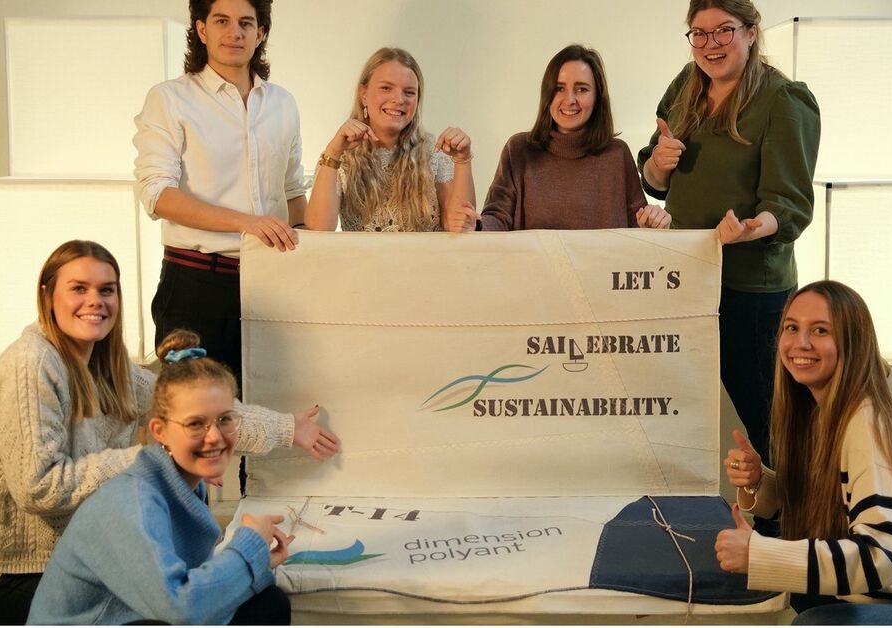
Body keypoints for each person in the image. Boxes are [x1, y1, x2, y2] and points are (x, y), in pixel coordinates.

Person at [0, 241, 339, 625]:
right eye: (79, 288)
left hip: (95, 553)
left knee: (264, 603)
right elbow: (38, 487)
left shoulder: (108, 363)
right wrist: (161, 461)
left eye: (106, 290)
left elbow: (189, 406)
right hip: (19, 574)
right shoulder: (32, 364)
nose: (95, 301)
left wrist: (287, 428)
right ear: (47, 295)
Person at [715, 280, 892, 625]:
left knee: (813, 620)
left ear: (852, 341)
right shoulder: (820, 410)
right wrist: (758, 483)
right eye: (791, 328)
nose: (800, 343)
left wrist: (759, 555)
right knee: (803, 590)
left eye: (820, 330)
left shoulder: (869, 422)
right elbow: (822, 504)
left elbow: (882, 556)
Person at [637, 0, 820, 479]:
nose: (710, 44)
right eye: (699, 33)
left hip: (750, 289)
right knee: (681, 409)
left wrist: (750, 229)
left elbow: (790, 205)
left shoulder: (783, 100)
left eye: (724, 30)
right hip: (687, 280)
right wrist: (658, 164)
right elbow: (655, 179)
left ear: (751, 32)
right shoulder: (686, 84)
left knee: (770, 420)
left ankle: (797, 514)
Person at [134, 0, 304, 494]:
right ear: (201, 29)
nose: (235, 32)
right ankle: (180, 536)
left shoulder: (283, 103)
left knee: (265, 420)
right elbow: (157, 194)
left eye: (247, 22)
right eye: (222, 21)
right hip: (195, 284)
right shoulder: (170, 99)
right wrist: (247, 223)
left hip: (271, 285)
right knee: (187, 426)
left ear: (261, 32)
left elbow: (294, 192)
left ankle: (260, 530)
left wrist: (310, 256)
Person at [29, 330, 295, 624]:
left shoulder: (181, 485)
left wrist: (255, 564)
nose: (215, 437)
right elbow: (181, 609)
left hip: (137, 615)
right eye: (195, 424)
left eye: (224, 419)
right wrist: (249, 547)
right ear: (160, 431)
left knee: (268, 603)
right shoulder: (134, 503)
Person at [477, 44, 669, 231]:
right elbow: (497, 219)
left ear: (597, 97)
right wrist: (474, 225)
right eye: (559, 88)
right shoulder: (518, 149)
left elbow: (639, 228)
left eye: (581, 89)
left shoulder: (617, 154)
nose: (569, 100)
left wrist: (654, 222)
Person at [304, 47, 478, 233]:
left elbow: (459, 226)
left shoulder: (433, 153)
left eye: (409, 92)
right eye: (386, 88)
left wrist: (463, 160)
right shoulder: (339, 157)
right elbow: (319, 228)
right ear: (363, 94)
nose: (398, 99)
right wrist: (333, 152)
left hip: (426, 254)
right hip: (361, 254)